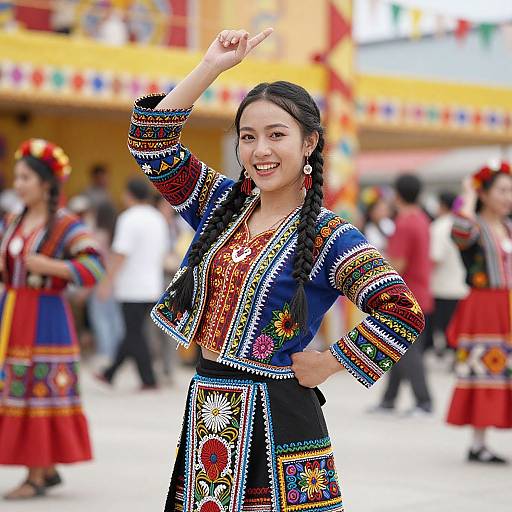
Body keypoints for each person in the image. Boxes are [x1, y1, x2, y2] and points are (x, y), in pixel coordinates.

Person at [128, 28, 425, 510]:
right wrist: (210, 68)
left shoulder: (331, 236)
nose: (260, 150)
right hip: (211, 408)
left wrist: (333, 360)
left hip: (281, 420)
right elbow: (151, 142)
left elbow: (401, 310)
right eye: (248, 137)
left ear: (309, 143)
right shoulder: (221, 204)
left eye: (276, 135)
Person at [0, 139, 104, 499]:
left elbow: (94, 265)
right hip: (12, 313)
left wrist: (51, 267)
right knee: (16, 386)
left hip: (46, 316)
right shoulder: (13, 221)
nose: (18, 184)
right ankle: (44, 468)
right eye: (17, 177)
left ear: (46, 183)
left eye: (25, 177)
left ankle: (37, 473)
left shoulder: (65, 226)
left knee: (38, 389)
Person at [446, 161, 512, 463]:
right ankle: (478, 441)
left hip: (507, 306)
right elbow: (459, 233)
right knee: (486, 368)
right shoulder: (474, 226)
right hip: (485, 307)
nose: (508, 196)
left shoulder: (509, 226)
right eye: (502, 190)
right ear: (484, 194)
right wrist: (467, 195)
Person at [96, 179, 169, 389]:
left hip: (131, 286)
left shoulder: (128, 218)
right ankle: (110, 373)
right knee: (134, 331)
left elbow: (120, 253)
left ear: (129, 194)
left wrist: (106, 282)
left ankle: (148, 379)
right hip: (152, 284)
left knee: (133, 333)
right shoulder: (157, 218)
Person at [370, 174, 433, 416]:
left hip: (408, 297)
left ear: (397, 195)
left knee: (408, 352)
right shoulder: (422, 219)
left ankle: (424, 402)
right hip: (422, 291)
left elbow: (397, 264)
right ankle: (389, 399)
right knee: (399, 348)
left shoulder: (405, 224)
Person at [429, 192, 468, 356]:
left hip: (443, 287)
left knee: (446, 328)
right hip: (462, 286)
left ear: (443, 206)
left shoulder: (439, 226)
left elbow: (435, 257)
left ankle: (453, 356)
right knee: (459, 328)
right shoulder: (463, 224)